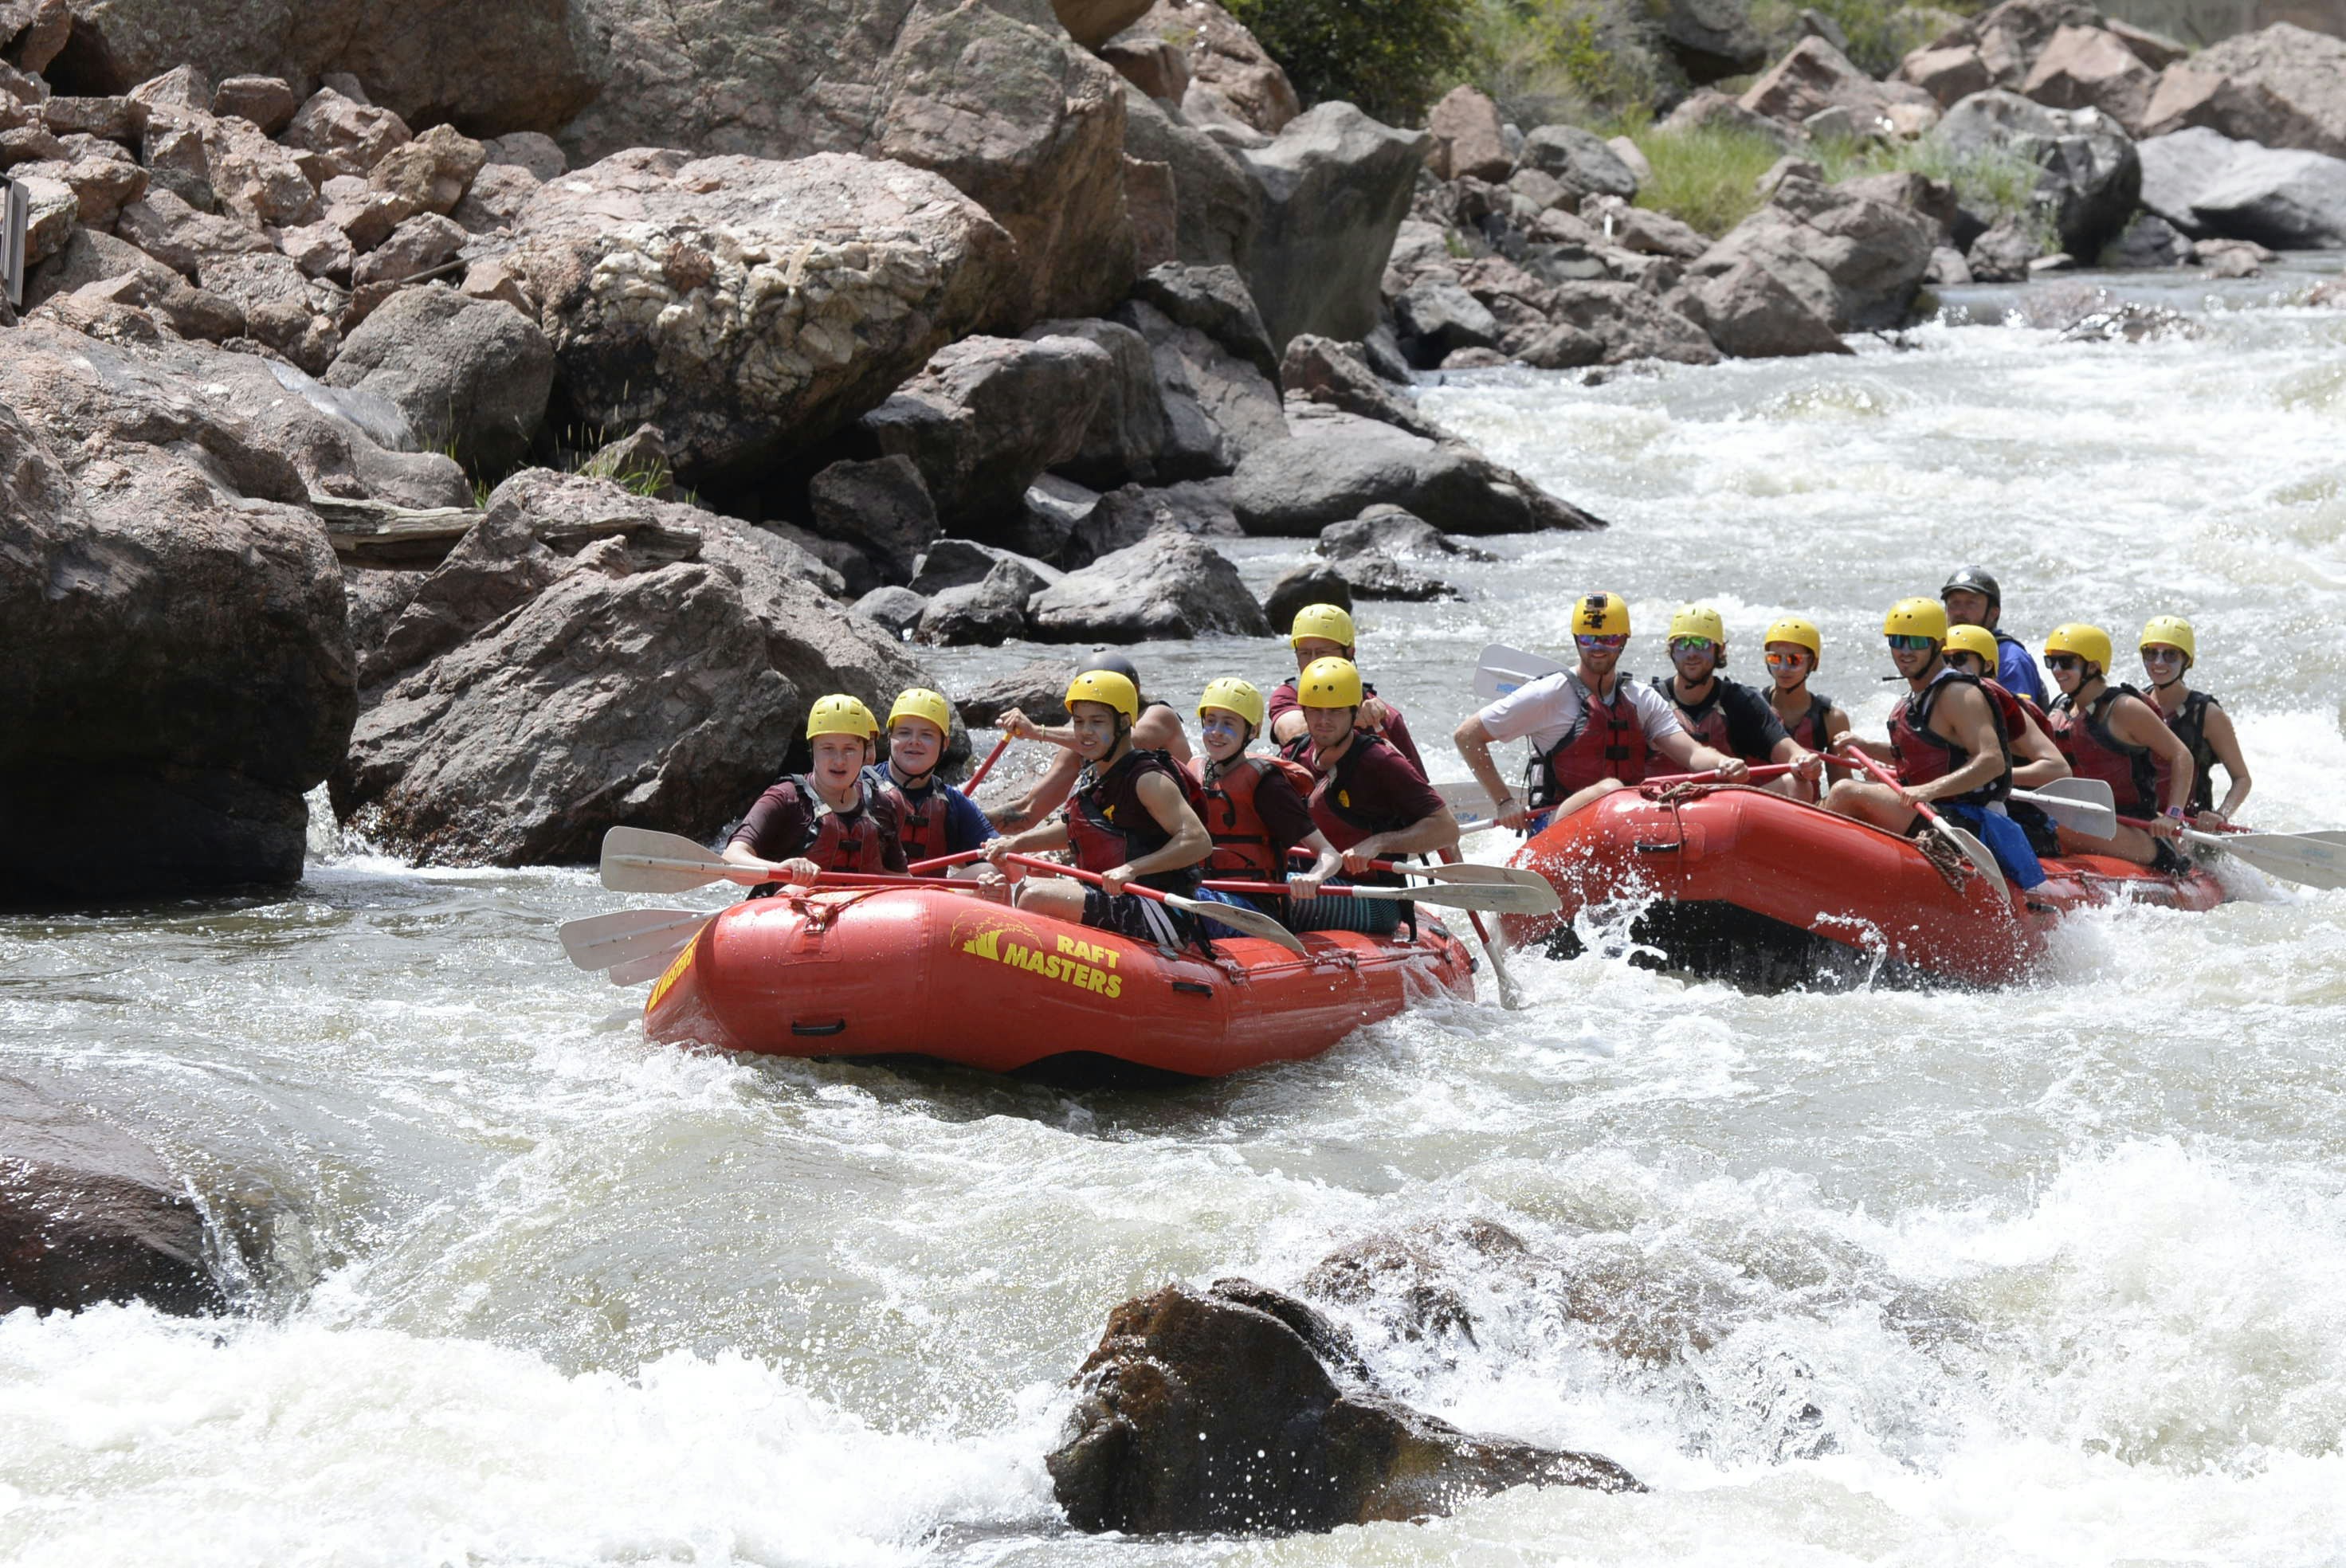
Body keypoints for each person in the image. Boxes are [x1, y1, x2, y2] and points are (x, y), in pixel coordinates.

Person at [1453, 590, 1750, 834]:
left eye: (1608, 640)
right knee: (1610, 788)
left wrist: (1725, 763)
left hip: (1626, 826)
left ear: (1623, 641)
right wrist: (1504, 801)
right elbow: (1467, 735)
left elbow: (1693, 754)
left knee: (1624, 795)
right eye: (1588, 639)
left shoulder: (1640, 697)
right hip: (1554, 824)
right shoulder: (1549, 694)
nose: (1597, 648)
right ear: (1576, 639)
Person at [1823, 598, 2046, 890]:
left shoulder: (1958, 693)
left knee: (1845, 792)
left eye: (1915, 641)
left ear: (1938, 644)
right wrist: (1864, 745)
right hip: (1930, 810)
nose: (1904, 651)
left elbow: (1992, 761)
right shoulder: (1915, 697)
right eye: (1897, 641)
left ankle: (1820, 881)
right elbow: (1925, 759)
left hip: (1967, 821)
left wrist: (1928, 790)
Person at [982, 668, 1212, 948]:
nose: (1085, 732)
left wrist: (1131, 869)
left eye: (1097, 722)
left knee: (1034, 897)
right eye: (1079, 722)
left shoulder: (1147, 779)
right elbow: (1075, 830)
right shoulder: (1095, 774)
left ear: (1124, 723)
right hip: (1114, 896)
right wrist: (1014, 844)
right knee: (1022, 885)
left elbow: (1198, 841)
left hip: (1158, 909)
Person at [1286, 658, 1459, 935]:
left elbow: (1447, 829)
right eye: (1315, 710)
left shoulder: (1381, 761)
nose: (1324, 720)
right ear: (1304, 712)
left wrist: (1378, 843)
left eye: (1335, 711)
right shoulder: (1295, 756)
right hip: (1307, 882)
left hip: (1375, 899)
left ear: (1354, 713)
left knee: (1278, 893)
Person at [1183, 676, 1346, 936]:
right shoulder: (1196, 772)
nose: (1215, 731)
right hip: (1204, 892)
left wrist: (1314, 877)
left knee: (1187, 900)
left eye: (1228, 723)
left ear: (1253, 731)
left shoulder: (1268, 786)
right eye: (1210, 720)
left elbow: (1330, 855)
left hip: (1255, 911)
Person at [2042, 623, 2196, 868]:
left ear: (2093, 667)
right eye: (2052, 662)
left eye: (2067, 662)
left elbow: (2182, 755)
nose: (2057, 670)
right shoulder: (2061, 708)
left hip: (2135, 828)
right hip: (2081, 818)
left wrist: (2173, 815)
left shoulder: (2123, 708)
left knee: (2052, 825)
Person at [987, 653, 1191, 833]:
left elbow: (1128, 740)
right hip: (1124, 835)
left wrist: (1037, 731)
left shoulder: (1161, 716)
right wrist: (964, 817)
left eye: (1098, 718)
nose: (1087, 729)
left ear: (1134, 691)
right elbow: (1028, 811)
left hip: (1177, 830)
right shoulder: (1080, 749)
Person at [725, 695, 908, 888]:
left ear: (865, 752)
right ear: (813, 750)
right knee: (794, 890)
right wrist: (779, 869)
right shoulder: (785, 799)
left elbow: (902, 883)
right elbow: (730, 860)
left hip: (864, 913)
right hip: (792, 911)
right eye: (828, 748)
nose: (839, 760)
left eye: (849, 749)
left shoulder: (882, 805)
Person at [1650, 605, 1821, 797]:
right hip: (1661, 804)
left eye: (1701, 644)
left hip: (1725, 806)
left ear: (1720, 650)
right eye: (1682, 644)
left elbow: (1790, 752)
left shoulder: (1741, 700)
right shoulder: (1650, 700)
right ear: (1671, 650)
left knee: (1797, 784)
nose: (1691, 653)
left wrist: (1805, 761)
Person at [1265, 603, 1428, 778]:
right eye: (1305, 653)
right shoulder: (1288, 695)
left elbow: (1419, 788)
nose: (1313, 662)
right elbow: (1292, 734)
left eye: (1322, 652)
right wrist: (1347, 719)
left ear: (1350, 653)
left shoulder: (1384, 717)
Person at [2139, 614, 2252, 826]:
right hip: (2145, 819)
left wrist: (2221, 815)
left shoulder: (2207, 714)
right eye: (2151, 653)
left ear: (2186, 661)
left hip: (2192, 827)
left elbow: (2242, 779)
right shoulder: (2135, 704)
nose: (2158, 662)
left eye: (2170, 655)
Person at [869, 688, 997, 874]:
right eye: (904, 733)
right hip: (867, 898)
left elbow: (1009, 863)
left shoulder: (953, 802)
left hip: (929, 898)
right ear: (890, 739)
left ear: (944, 745)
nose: (914, 741)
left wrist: (1021, 858)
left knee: (989, 872)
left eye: (926, 735)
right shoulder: (860, 784)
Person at [1760, 616, 1848, 802]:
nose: (1783, 668)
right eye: (1775, 658)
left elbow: (1841, 788)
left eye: (1794, 660)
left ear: (1813, 663)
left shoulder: (1832, 719)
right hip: (1760, 804)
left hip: (1808, 812)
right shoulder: (1751, 707)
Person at [1940, 566, 2048, 706]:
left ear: (1993, 613)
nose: (1960, 612)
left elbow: (2018, 722)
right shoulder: (1941, 650)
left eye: (1971, 603)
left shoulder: (2010, 658)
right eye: (1954, 603)